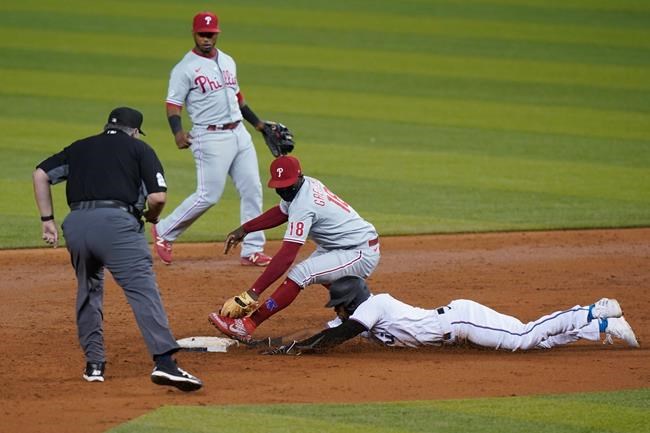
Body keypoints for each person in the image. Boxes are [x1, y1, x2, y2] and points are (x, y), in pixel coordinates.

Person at [32, 107, 203, 392]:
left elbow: (40, 174)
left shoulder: (79, 147)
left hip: (76, 226)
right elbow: (158, 197)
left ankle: (94, 365)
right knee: (143, 291)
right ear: (134, 131)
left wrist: (47, 220)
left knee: (88, 290)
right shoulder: (139, 149)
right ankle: (165, 363)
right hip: (116, 226)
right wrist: (152, 217)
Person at [151, 10, 281, 267]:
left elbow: (238, 98)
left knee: (253, 189)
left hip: (239, 133)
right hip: (209, 136)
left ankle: (252, 249)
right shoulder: (184, 69)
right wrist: (177, 132)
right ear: (194, 34)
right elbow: (173, 104)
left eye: (211, 34)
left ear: (217, 33)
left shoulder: (228, 61)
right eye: (203, 34)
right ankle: (164, 231)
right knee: (208, 194)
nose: (207, 38)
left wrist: (258, 124)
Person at [208, 155, 381, 343]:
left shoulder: (304, 205)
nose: (284, 191)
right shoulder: (302, 187)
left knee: (302, 273)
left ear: (299, 177)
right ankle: (364, 316)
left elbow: (287, 256)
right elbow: (281, 212)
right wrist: (246, 228)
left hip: (359, 251)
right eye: (279, 188)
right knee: (317, 272)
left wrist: (253, 292)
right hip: (339, 246)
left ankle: (246, 325)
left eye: (288, 186)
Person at [260, 276, 640, 354]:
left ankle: (592, 309)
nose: (338, 311)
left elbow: (337, 336)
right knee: (539, 345)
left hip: (460, 319)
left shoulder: (374, 306)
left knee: (523, 338)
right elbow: (324, 330)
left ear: (352, 302)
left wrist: (304, 351)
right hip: (455, 328)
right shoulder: (362, 314)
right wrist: (279, 344)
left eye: (339, 306)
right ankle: (600, 326)